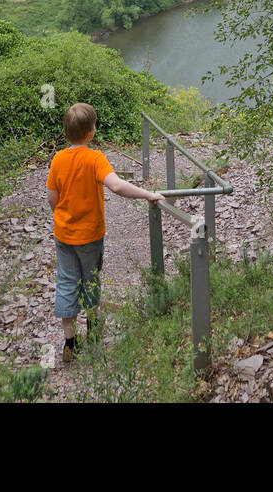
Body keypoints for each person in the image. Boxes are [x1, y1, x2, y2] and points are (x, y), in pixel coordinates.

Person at [46, 102, 163, 363]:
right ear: (90, 133)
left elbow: (52, 198)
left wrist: (64, 214)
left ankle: (70, 342)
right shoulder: (95, 158)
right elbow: (117, 186)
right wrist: (148, 195)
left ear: (66, 133)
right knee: (90, 280)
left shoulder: (58, 159)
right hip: (90, 236)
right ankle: (94, 331)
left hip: (63, 235)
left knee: (66, 282)